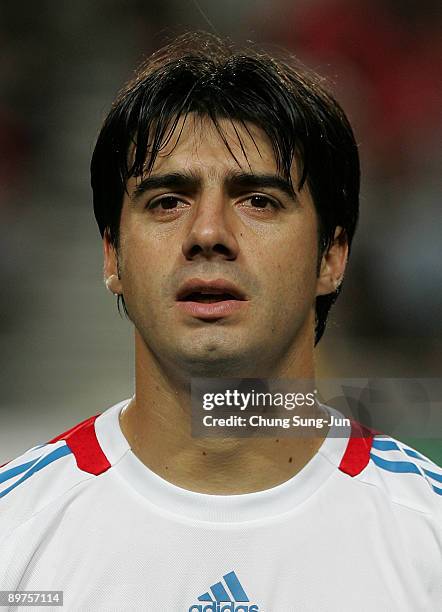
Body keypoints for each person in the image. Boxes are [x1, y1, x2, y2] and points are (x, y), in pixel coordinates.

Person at [0, 33, 440, 612]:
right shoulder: (14, 534)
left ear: (331, 257)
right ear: (113, 257)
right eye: (167, 201)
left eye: (258, 200)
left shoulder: (428, 536)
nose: (208, 233)